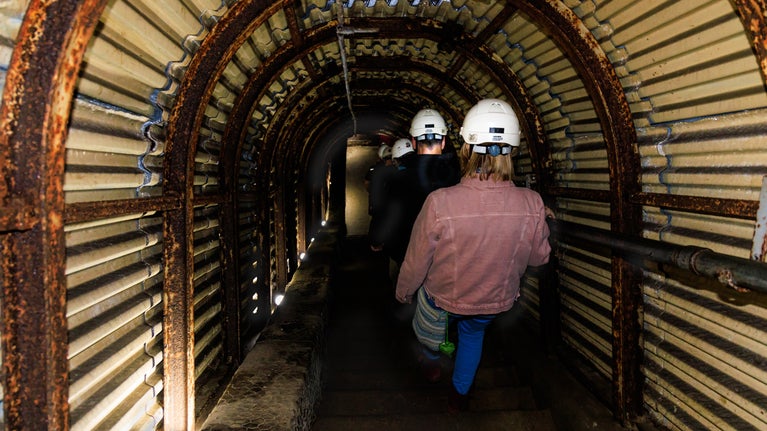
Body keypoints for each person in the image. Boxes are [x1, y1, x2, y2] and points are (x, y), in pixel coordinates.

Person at [395, 98, 552, 413]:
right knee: (472, 336)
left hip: (442, 297)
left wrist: (404, 291)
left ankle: (432, 361)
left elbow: (417, 259)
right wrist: (540, 221)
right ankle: (459, 395)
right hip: (493, 300)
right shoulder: (532, 203)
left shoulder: (441, 202)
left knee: (429, 327)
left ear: (466, 148)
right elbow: (539, 259)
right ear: (513, 151)